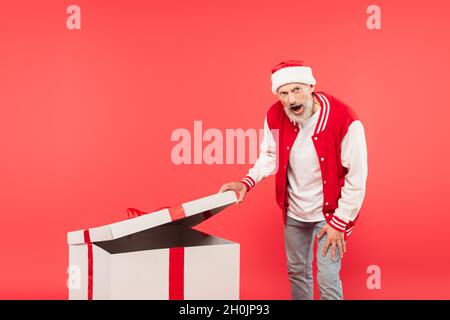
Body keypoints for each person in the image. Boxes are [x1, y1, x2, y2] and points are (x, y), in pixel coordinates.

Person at [218, 60, 368, 300]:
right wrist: (246, 181)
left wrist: (341, 222)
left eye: (296, 89)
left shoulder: (344, 119)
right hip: (294, 212)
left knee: (328, 278)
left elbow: (357, 176)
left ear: (311, 86)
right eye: (283, 93)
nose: (290, 100)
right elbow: (269, 155)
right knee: (297, 272)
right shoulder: (275, 115)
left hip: (330, 215)